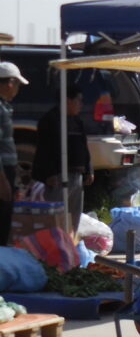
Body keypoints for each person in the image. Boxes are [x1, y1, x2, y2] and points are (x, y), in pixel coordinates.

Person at [32, 84, 93, 233]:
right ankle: (55, 245)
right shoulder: (50, 120)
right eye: (78, 100)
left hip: (77, 176)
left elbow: (84, 147)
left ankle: (71, 244)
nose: (81, 104)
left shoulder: (77, 121)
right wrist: (49, 174)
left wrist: (89, 169)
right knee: (56, 216)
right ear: (67, 100)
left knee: (74, 215)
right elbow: (44, 150)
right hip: (58, 177)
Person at [0, 61, 28, 245]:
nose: (17, 88)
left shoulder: (5, 106)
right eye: (17, 84)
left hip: (8, 169)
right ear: (9, 83)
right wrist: (2, 179)